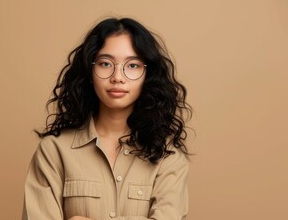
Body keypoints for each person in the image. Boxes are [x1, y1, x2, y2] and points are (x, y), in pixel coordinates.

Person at [22, 17, 192, 220]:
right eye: (105, 63)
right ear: (90, 71)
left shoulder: (168, 155)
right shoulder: (54, 151)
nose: (117, 77)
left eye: (132, 66)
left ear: (148, 74)